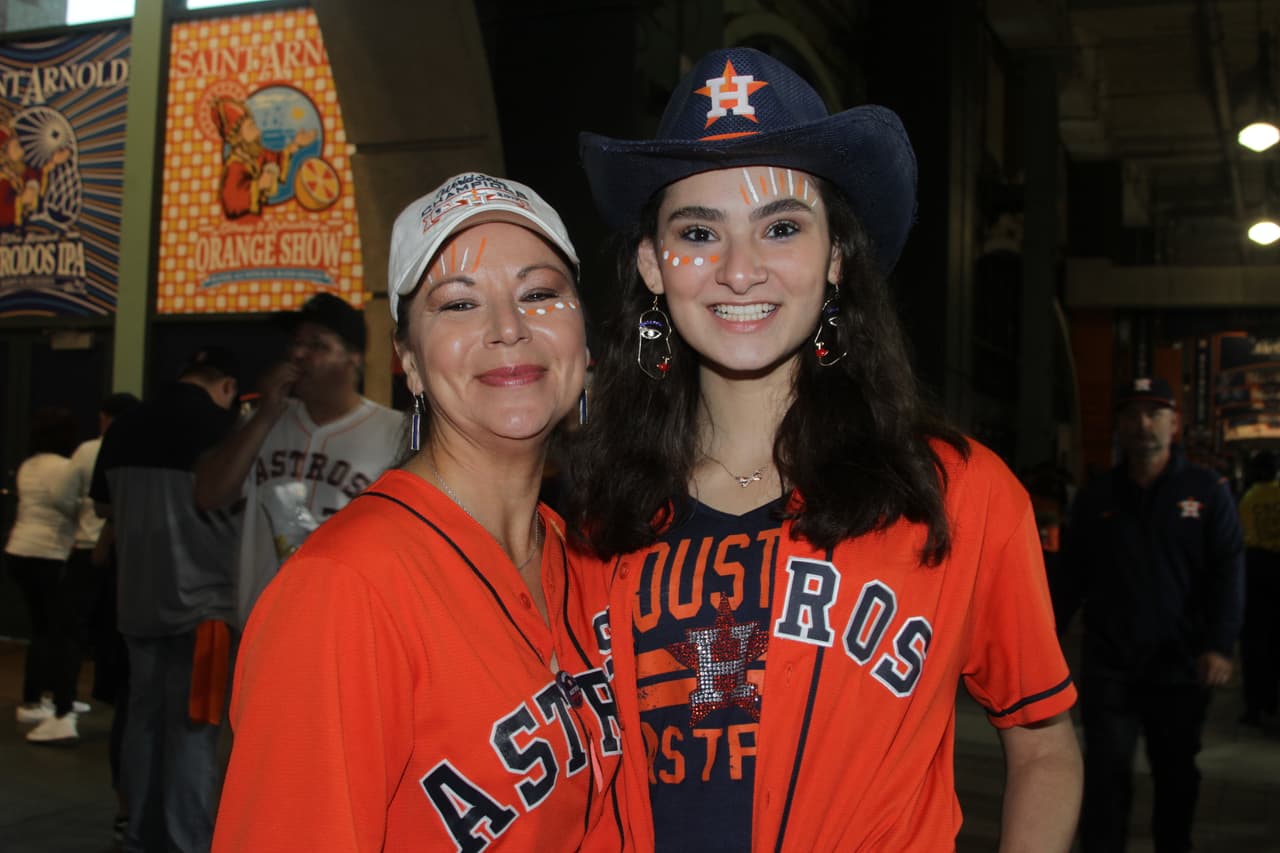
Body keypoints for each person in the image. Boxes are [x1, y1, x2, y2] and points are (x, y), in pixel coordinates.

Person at [568, 47, 1082, 851]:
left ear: (836, 257)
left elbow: (1046, 745)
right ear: (652, 265)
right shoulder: (588, 507)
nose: (740, 271)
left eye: (781, 227)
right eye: (698, 231)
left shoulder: (957, 491)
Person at [213, 172, 623, 851]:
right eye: (459, 304)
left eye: (540, 293)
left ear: (583, 339)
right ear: (408, 360)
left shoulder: (588, 561)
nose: (509, 328)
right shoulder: (341, 590)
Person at [1062, 376, 1244, 852]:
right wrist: (1043, 642)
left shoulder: (1206, 493)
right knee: (1105, 774)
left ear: (1174, 423)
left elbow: (1228, 573)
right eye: (1132, 415)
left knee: (1176, 774)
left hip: (1180, 665)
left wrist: (1219, 646)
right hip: (1110, 665)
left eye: (1154, 413)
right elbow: (1069, 579)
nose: (1143, 424)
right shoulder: (1098, 497)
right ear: (1119, 425)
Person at [89, 347, 242, 853]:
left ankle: (138, 834)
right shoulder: (223, 430)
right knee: (195, 731)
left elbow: (103, 506)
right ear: (225, 387)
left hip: (135, 602)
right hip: (205, 609)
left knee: (142, 724)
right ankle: (187, 842)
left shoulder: (125, 426)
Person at [194, 292, 402, 628]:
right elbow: (208, 496)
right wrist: (265, 415)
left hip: (350, 630)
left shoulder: (395, 433)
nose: (299, 354)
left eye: (318, 345)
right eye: (296, 343)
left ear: (354, 358)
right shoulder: (260, 424)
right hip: (262, 629)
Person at [55, 391, 138, 829]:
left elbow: (88, 505)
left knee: (77, 642)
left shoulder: (92, 450)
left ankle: (63, 706)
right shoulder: (109, 451)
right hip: (118, 564)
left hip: (101, 560)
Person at [7, 406, 78, 739]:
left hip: (19, 549)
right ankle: (45, 698)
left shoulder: (28, 465)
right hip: (48, 553)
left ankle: (36, 697)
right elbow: (70, 505)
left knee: (41, 629)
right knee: (54, 631)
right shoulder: (61, 468)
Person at [1237, 449, 1280, 727]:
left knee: (1254, 643)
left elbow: (1241, 537)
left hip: (1255, 570)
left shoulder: (1248, 498)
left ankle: (1255, 706)